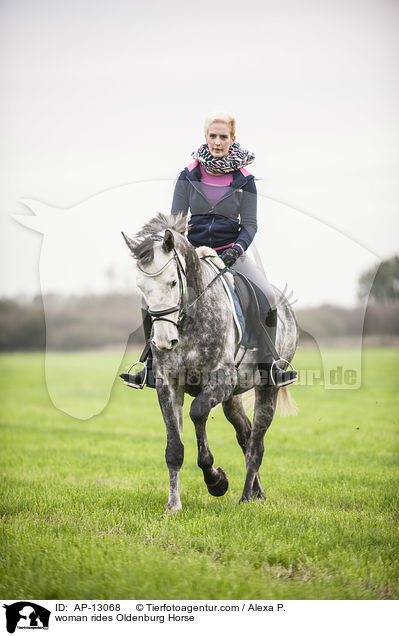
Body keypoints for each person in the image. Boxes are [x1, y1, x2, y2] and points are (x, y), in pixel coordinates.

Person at [121, 112, 297, 389]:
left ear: (232, 139)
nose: (217, 142)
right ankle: (151, 365)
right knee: (151, 299)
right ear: (206, 138)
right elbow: (176, 222)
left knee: (264, 294)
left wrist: (236, 249)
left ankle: (269, 364)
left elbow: (250, 225)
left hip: (231, 252)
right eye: (212, 136)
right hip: (193, 255)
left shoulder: (245, 180)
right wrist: (182, 252)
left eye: (223, 137)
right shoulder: (187, 176)